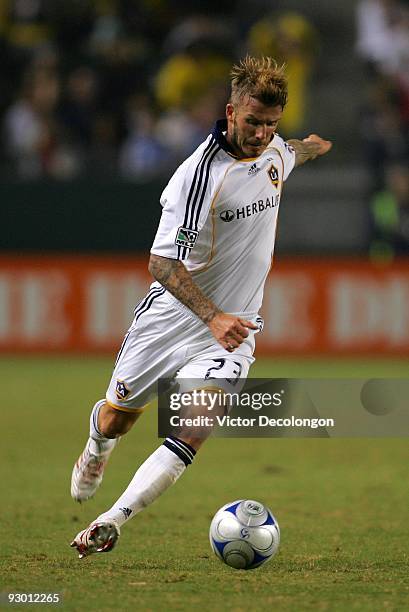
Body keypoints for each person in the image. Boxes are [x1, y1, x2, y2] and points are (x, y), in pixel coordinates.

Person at [70, 55, 332, 559]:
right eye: (252, 122)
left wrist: (315, 145)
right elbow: (160, 262)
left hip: (234, 330)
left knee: (193, 424)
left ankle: (112, 520)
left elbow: (290, 152)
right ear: (230, 112)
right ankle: (96, 448)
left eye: (270, 124)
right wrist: (212, 315)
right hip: (171, 321)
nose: (260, 134)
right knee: (117, 420)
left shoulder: (275, 151)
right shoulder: (198, 178)